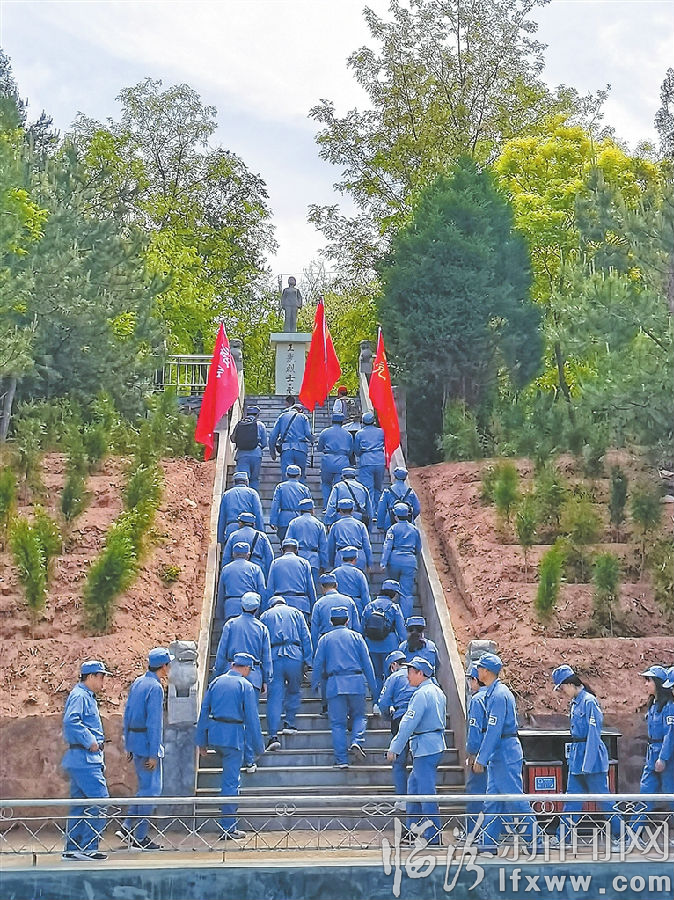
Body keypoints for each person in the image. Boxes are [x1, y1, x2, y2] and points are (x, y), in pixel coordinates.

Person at [550, 664, 622, 850]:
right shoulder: (576, 703)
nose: (563, 692)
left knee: (603, 799)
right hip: (577, 756)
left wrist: (588, 763)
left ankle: (621, 836)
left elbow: (594, 734)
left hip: (592, 757)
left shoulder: (589, 702)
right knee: (572, 799)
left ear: (570, 684)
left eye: (562, 688)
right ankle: (563, 837)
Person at [472, 653, 537, 855]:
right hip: (499, 752)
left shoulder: (499, 695)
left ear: (487, 671)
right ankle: (488, 843)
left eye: (480, 668)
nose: (477, 671)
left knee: (515, 799)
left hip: (505, 752)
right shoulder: (494, 693)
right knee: (493, 801)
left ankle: (536, 840)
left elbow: (494, 730)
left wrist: (481, 758)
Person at [196, 653, 264, 839]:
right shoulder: (245, 686)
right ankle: (228, 827)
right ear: (246, 668)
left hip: (215, 734)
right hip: (233, 737)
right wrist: (259, 747)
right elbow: (252, 719)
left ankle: (227, 823)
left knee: (228, 780)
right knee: (231, 782)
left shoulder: (216, 682)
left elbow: (204, 711)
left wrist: (201, 741)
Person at [117, 647, 173, 850]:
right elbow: (154, 723)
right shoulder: (156, 688)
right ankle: (138, 836)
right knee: (152, 791)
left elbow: (127, 714)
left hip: (135, 741)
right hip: (147, 744)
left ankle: (128, 827)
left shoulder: (138, 682)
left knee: (145, 789)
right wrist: (154, 753)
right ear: (164, 666)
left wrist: (128, 744)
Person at [387, 656, 447, 845]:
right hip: (433, 744)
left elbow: (408, 723)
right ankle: (411, 832)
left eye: (411, 672)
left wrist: (395, 747)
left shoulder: (421, 694)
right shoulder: (437, 691)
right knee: (413, 787)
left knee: (425, 792)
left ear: (420, 673)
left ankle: (433, 835)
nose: (408, 676)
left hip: (425, 747)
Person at [213, 592, 272, 774]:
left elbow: (222, 651)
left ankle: (229, 754)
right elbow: (266, 656)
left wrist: (218, 672)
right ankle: (249, 759)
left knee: (231, 717)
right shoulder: (262, 628)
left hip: (230, 675)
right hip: (253, 676)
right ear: (257, 608)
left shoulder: (230, 625)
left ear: (241, 606)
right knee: (249, 718)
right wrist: (266, 679)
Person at [312, 607, 377, 767]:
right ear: (348, 621)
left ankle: (341, 760)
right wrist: (374, 688)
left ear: (331, 621)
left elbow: (318, 663)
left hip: (335, 684)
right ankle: (357, 740)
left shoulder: (325, 639)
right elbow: (367, 663)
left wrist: (315, 684)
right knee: (360, 716)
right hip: (356, 682)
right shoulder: (357, 637)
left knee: (338, 724)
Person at [62, 660, 113, 861]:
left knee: (79, 804)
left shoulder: (85, 696)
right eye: (101, 677)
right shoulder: (80, 696)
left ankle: (72, 848)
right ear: (91, 676)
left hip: (82, 758)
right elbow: (71, 721)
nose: (103, 682)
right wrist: (89, 740)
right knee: (100, 801)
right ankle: (88, 847)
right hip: (85, 759)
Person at [260, 595, 313, 749]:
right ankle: (289, 723)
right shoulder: (296, 613)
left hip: (273, 656)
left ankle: (273, 735)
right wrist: (308, 661)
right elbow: (306, 637)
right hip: (295, 655)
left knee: (274, 697)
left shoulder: (265, 616)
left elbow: (261, 641)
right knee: (294, 691)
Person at [629, 665, 674, 840]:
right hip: (652, 755)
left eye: (649, 680)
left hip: (666, 757)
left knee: (671, 795)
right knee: (645, 793)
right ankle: (632, 835)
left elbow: (670, 735)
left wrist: (663, 758)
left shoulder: (669, 706)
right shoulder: (653, 705)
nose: (646, 684)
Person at [374, 650, 417, 806]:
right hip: (421, 723)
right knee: (420, 763)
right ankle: (420, 798)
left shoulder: (394, 677)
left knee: (399, 762)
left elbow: (384, 703)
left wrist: (388, 717)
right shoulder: (419, 673)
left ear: (393, 665)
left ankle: (402, 799)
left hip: (400, 720)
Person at [361, 592, 406, 701]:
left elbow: (362, 628)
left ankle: (376, 702)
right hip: (390, 646)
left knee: (376, 675)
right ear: (394, 594)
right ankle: (388, 701)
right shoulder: (394, 607)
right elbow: (401, 630)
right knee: (390, 675)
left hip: (371, 646)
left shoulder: (369, 606)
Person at [381, 503, 421, 620]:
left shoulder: (392, 529)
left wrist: (383, 562)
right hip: (409, 561)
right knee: (406, 593)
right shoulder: (414, 529)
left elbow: (387, 546)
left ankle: (390, 615)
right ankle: (405, 619)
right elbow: (418, 548)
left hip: (394, 560)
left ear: (395, 516)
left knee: (391, 588)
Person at [266, 537, 317, 621]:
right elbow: (310, 587)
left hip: (280, 604)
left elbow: (270, 588)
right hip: (301, 605)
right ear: (296, 550)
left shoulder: (275, 563)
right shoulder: (304, 563)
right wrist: (313, 607)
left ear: (282, 550)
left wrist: (268, 607)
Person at [215, 542, 266, 622]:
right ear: (248, 555)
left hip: (231, 608)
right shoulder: (255, 568)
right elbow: (262, 590)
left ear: (233, 554)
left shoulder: (226, 569)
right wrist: (262, 611)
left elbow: (221, 592)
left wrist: (219, 614)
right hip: (251, 607)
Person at [464, 664, 487, 835]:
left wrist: (472, 753)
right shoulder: (495, 695)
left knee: (475, 792)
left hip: (481, 751)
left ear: (475, 680)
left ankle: (474, 832)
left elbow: (474, 730)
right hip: (497, 751)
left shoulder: (477, 699)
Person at [285, 497, 328, 588]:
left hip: (297, 558)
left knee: (298, 587)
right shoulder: (319, 524)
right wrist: (323, 565)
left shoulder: (293, 523)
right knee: (312, 588)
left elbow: (288, 543)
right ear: (312, 510)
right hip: (314, 559)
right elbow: (323, 546)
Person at [311, 573, 361, 650]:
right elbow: (356, 627)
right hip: (348, 642)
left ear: (322, 587)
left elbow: (314, 630)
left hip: (327, 643)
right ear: (336, 585)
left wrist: (315, 650)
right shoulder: (349, 601)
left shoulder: (319, 604)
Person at [317, 413, 354, 509]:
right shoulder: (348, 434)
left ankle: (327, 506)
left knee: (326, 484)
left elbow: (319, 447)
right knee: (340, 486)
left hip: (328, 460)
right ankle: (338, 506)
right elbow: (351, 451)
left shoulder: (325, 432)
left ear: (332, 421)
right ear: (342, 422)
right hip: (342, 461)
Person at [222, 511, 274, 577]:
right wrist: (268, 574)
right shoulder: (262, 536)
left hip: (237, 570)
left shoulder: (233, 535)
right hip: (258, 567)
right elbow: (269, 556)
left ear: (240, 523)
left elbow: (226, 557)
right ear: (253, 524)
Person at [269, 402, 313, 480]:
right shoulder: (303, 417)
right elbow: (308, 434)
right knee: (300, 475)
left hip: (286, 449)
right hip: (301, 449)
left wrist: (272, 452)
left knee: (287, 475)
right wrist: (314, 439)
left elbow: (273, 435)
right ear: (300, 410)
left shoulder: (282, 416)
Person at [269, 464, 312, 543]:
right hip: (299, 518)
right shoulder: (304, 488)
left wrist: (273, 521)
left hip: (284, 519)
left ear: (286, 474)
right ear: (299, 475)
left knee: (284, 543)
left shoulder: (280, 487)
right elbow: (309, 506)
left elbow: (275, 504)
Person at [217, 471, 264, 543]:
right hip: (248, 530)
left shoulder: (227, 494)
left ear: (234, 482)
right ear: (246, 482)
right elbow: (258, 513)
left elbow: (222, 517)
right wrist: (261, 532)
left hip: (231, 528)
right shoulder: (253, 493)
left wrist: (220, 538)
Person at [326, 498, 372, 571]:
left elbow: (330, 547)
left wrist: (331, 563)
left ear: (340, 511)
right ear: (352, 510)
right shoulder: (360, 525)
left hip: (341, 556)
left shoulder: (335, 526)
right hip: (358, 556)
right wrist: (369, 563)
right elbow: (367, 545)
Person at [354, 411, 386, 510]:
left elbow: (356, 450)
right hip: (380, 460)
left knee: (368, 489)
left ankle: (371, 511)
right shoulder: (381, 431)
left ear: (363, 422)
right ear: (374, 421)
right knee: (378, 488)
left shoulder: (359, 433)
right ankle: (379, 509)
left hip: (366, 460)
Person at [231, 405, 268, 492]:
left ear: (246, 413)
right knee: (254, 479)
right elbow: (264, 443)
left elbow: (233, 439)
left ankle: (242, 497)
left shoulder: (240, 424)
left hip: (242, 455)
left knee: (242, 479)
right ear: (257, 414)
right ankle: (253, 496)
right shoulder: (260, 425)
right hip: (256, 455)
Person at [377, 467, 421, 531]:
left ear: (395, 477)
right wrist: (410, 516)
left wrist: (380, 525)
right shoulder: (410, 492)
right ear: (405, 478)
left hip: (390, 523)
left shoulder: (387, 491)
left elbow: (381, 508)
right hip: (407, 524)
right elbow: (417, 508)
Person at [331, 546, 371, 616]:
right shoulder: (359, 573)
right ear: (355, 559)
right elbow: (365, 594)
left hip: (339, 605)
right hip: (356, 605)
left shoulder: (334, 572)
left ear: (342, 559)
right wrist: (368, 612)